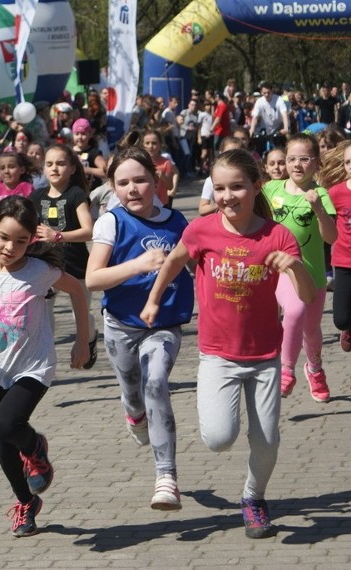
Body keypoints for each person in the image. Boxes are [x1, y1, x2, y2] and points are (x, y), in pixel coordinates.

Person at [141, 148, 316, 540]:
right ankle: (233, 448)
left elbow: (304, 295)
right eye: (220, 188)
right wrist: (153, 300)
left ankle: (253, 499)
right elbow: (172, 262)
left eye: (237, 187)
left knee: (267, 441)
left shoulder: (277, 235)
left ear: (256, 187)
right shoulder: (202, 230)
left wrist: (295, 266)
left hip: (265, 355)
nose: (227, 196)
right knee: (219, 438)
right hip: (218, 354)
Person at [0, 195, 90, 537]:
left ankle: (35, 446)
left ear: (32, 241)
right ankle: (27, 503)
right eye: (4, 238)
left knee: (7, 424)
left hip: (34, 367)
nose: (11, 247)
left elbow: (77, 291)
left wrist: (83, 339)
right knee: (2, 443)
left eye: (21, 241)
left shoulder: (39, 272)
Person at [86, 146, 194, 510]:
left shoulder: (178, 223)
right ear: (113, 188)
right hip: (120, 326)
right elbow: (93, 279)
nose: (132, 189)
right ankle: (134, 415)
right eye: (123, 183)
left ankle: (166, 477)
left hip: (164, 325)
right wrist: (139, 265)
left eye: (140, 180)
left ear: (157, 181)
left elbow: (198, 267)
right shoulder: (110, 222)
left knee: (155, 383)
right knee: (133, 392)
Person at [262, 134, 336, 402]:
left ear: (316, 163)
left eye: (304, 159)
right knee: (294, 311)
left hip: (312, 274)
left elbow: (331, 237)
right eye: (291, 159)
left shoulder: (322, 196)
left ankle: (314, 368)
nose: (296, 165)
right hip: (280, 270)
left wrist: (318, 209)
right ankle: (285, 370)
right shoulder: (271, 190)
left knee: (312, 331)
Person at [31, 144, 98, 368]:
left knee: (78, 313)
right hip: (46, 265)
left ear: (71, 168)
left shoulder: (76, 195)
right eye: (49, 164)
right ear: (43, 168)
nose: (55, 168)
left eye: (60, 163)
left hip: (75, 265)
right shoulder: (36, 196)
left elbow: (88, 231)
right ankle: (45, 353)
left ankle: (89, 339)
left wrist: (57, 235)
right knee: (45, 308)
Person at [322, 141, 351, 353]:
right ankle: (347, 329)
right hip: (343, 262)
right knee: (341, 320)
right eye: (348, 162)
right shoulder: (336, 193)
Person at [142, 130, 178, 207]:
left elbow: (169, 186)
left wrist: (162, 177)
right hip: (144, 202)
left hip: (161, 203)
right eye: (147, 143)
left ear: (160, 145)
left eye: (154, 143)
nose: (150, 146)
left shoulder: (166, 163)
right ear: (143, 145)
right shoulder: (139, 162)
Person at [72, 118, 107, 189]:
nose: (80, 137)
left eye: (83, 134)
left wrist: (87, 170)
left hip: (92, 191)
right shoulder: (69, 152)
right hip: (74, 190)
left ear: (90, 135)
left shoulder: (93, 152)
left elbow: (105, 171)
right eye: (77, 134)